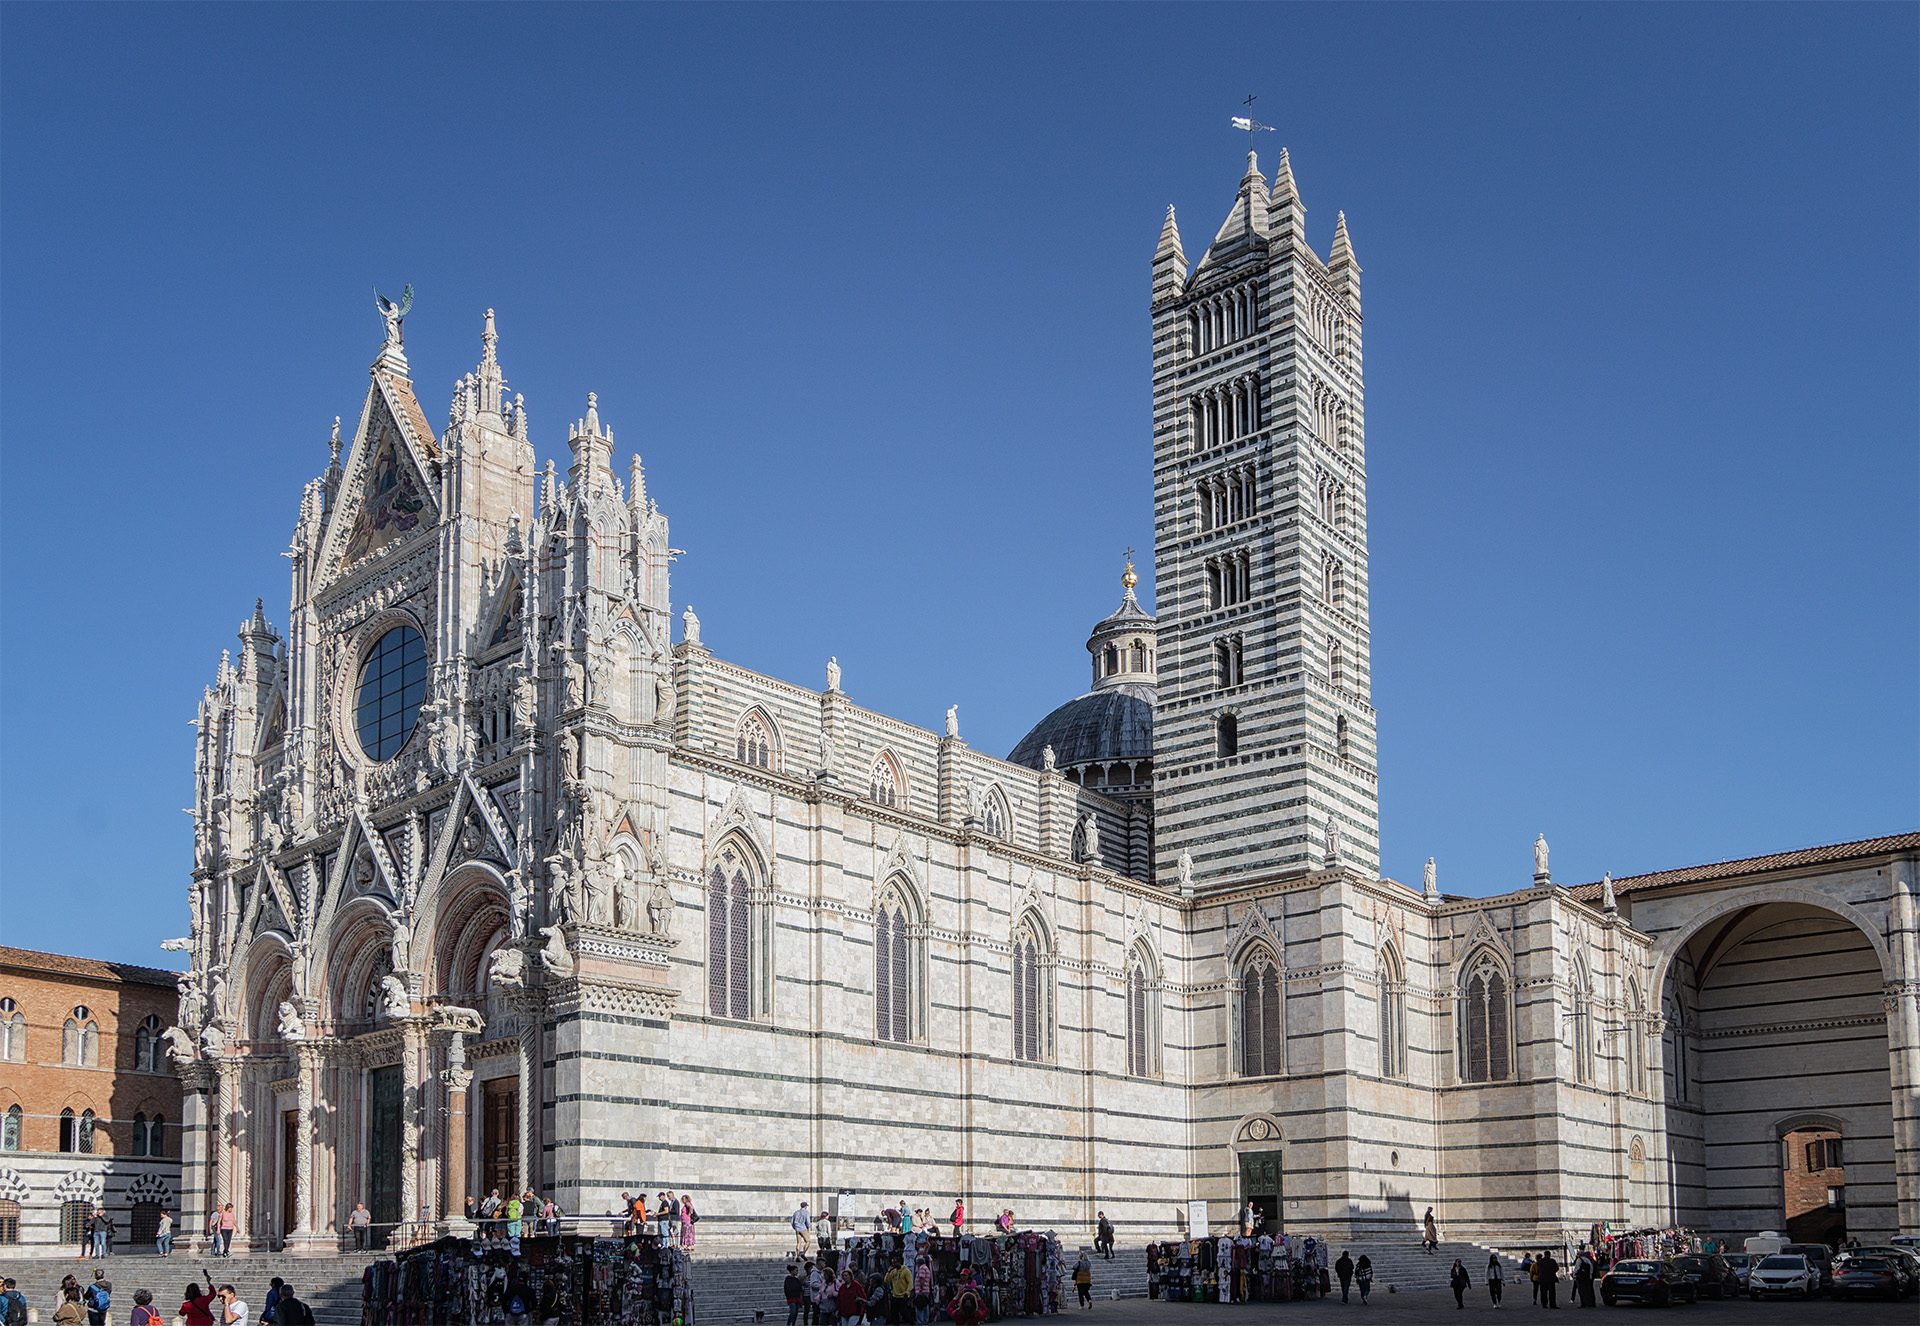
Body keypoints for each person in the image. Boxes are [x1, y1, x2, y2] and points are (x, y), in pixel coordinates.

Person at [912, 1255, 933, 1325]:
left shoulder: (921, 1268)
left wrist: (921, 1289)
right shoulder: (926, 1268)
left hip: (922, 1291)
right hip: (926, 1290)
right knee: (925, 1307)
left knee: (920, 1307)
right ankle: (925, 1322)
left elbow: (922, 1279)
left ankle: (921, 1322)